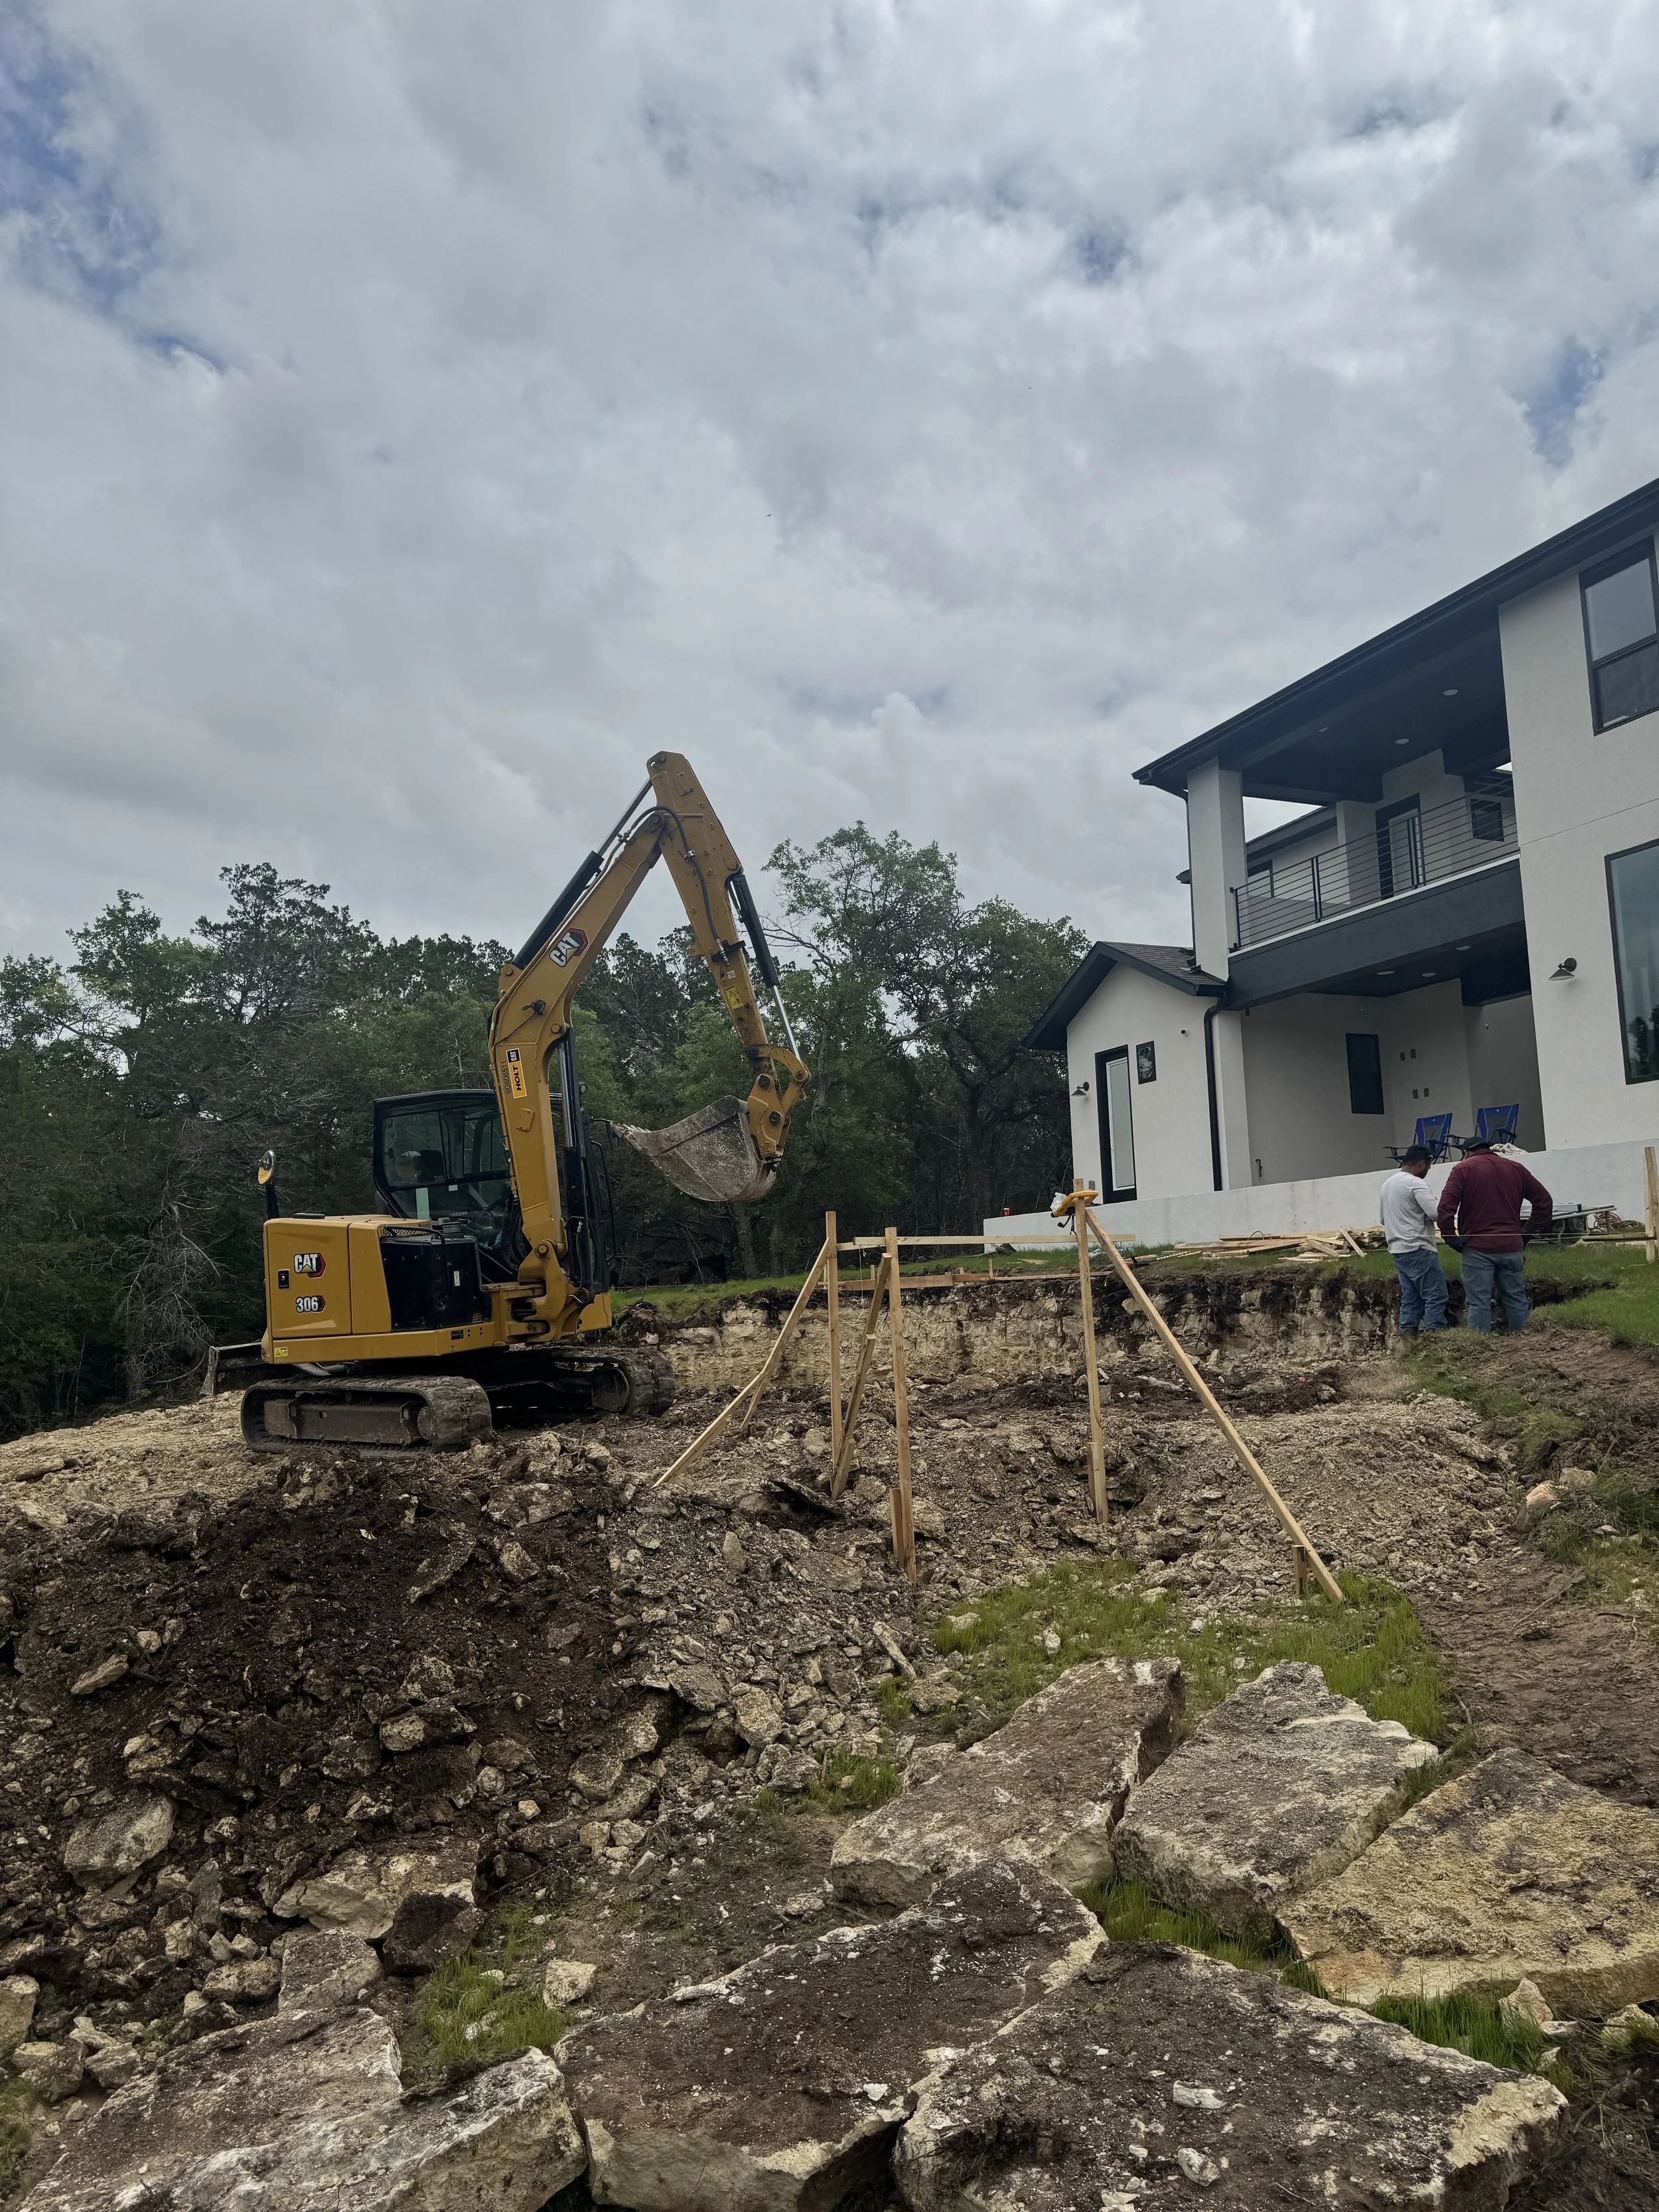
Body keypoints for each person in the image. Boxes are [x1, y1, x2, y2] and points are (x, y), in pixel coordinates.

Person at [1436, 1137, 1553, 1333]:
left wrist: (1451, 1238)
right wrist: (1527, 1232)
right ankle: (1526, 1344)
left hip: (1477, 1248)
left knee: (1478, 1302)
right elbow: (1544, 1201)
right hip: (1512, 1246)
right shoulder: (1516, 1168)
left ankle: (1481, 1351)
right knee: (1516, 1298)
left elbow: (1445, 1208)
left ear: (1467, 1153)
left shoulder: (1463, 1169)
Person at [1380, 1145, 1449, 1335]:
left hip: (1397, 1250)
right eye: (1428, 1166)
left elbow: (1383, 1220)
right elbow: (1436, 1214)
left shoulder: (1388, 1184)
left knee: (1411, 1297)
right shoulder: (1416, 1184)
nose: (1427, 1171)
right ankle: (1435, 1338)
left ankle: (1408, 1341)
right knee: (1435, 1295)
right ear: (1422, 1163)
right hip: (1418, 1247)